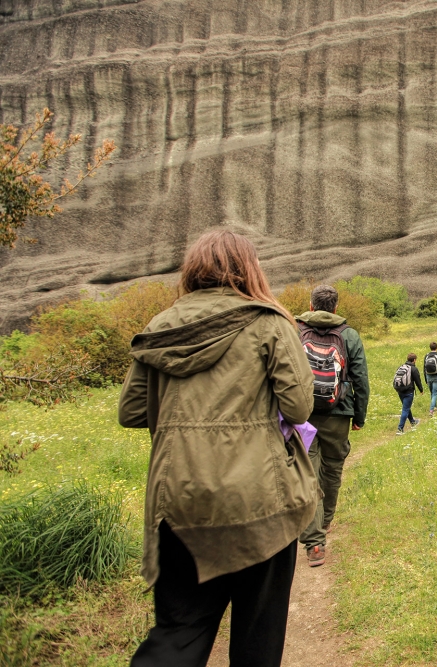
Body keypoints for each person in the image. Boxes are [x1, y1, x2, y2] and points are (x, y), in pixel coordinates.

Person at [119, 230, 317, 667]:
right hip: (260, 500)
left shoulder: (161, 325)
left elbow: (132, 411)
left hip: (180, 500)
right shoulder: (268, 322)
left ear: (192, 270)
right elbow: (300, 404)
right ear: (250, 269)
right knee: (258, 635)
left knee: (179, 630)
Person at [295, 284, 370, 567]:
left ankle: (314, 544)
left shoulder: (295, 330)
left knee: (308, 472)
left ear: (311, 306)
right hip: (339, 414)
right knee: (333, 469)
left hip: (302, 415)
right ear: (336, 308)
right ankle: (325, 522)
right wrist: (359, 417)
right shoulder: (349, 335)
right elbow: (361, 380)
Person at [394, 352, 423, 435]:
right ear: (414, 360)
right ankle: (400, 429)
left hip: (399, 390)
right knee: (405, 409)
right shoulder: (413, 369)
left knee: (406, 407)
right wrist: (421, 389)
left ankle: (413, 422)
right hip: (408, 391)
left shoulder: (401, 367)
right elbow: (418, 380)